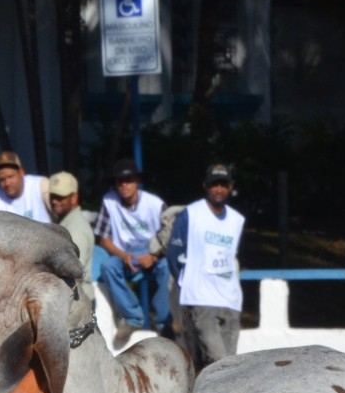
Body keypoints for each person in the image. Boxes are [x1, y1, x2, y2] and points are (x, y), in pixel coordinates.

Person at [162, 162, 246, 370]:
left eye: (223, 184)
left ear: (231, 187)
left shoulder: (236, 220)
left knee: (229, 364)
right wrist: (189, 283)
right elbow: (174, 254)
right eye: (214, 184)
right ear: (205, 186)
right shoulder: (191, 214)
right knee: (218, 360)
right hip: (201, 301)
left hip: (230, 301)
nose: (219, 189)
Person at [95, 158, 171, 349]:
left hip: (153, 253)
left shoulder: (155, 204)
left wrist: (154, 256)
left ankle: (164, 322)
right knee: (108, 267)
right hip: (125, 255)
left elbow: (170, 237)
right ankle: (133, 316)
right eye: (119, 181)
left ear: (137, 181)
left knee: (167, 268)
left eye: (128, 180)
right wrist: (123, 256)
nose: (123, 185)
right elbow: (104, 239)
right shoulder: (109, 201)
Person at [47, 171, 97, 281]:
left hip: (76, 295)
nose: (54, 201)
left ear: (74, 198)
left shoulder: (75, 230)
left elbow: (75, 275)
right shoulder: (63, 224)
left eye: (60, 197)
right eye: (52, 196)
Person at [0, 150, 50, 221]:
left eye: (10, 177)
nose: (7, 183)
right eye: (2, 179)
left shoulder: (41, 185)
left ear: (21, 173)